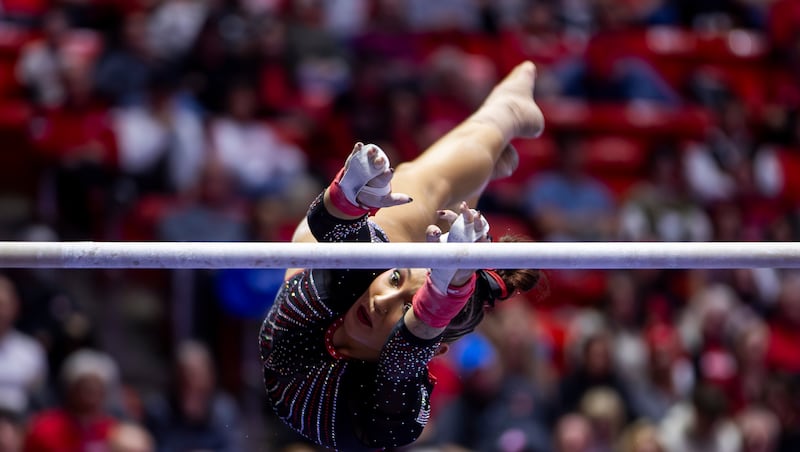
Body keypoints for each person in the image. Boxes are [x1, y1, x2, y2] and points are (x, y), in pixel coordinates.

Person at [259, 60, 545, 450]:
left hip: (316, 272)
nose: (382, 300)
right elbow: (406, 334)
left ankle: (498, 130)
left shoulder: (389, 398)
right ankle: (495, 135)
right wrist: (350, 195)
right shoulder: (370, 278)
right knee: (424, 193)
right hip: (359, 266)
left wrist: (347, 199)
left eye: (406, 307)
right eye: (396, 281)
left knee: (417, 183)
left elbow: (404, 350)